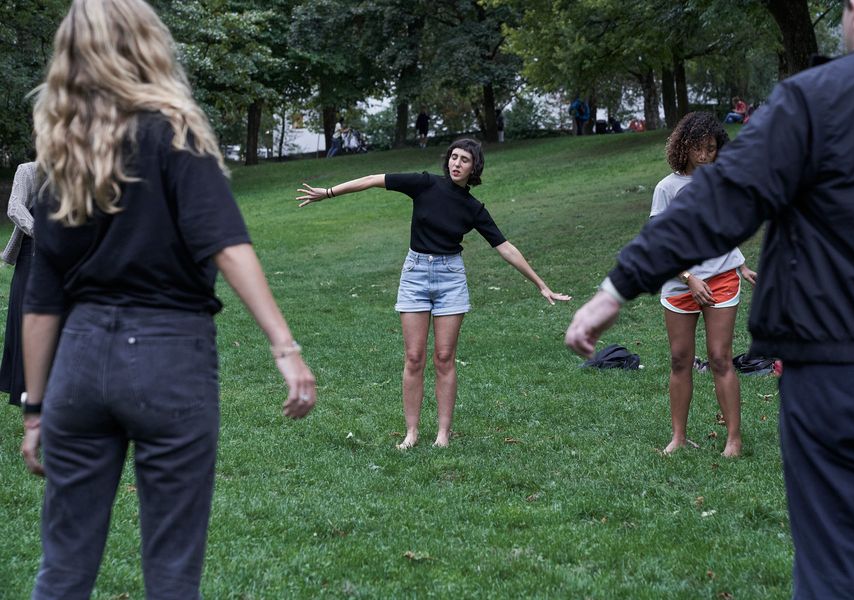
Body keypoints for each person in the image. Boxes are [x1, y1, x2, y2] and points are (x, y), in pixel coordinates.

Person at [565, 1, 854, 597]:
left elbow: (721, 202)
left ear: (853, 11)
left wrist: (616, 288)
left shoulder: (813, 99)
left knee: (835, 577)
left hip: (835, 376)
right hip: (835, 364)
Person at [20, 1, 317, 598]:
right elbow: (226, 244)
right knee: (172, 572)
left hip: (77, 364)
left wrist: (34, 408)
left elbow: (41, 294)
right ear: (147, 44)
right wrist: (284, 347)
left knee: (62, 570)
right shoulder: (175, 132)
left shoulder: (62, 156)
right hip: (167, 358)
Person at [296, 138, 570, 449]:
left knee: (444, 357)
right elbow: (374, 179)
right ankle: (411, 433)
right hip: (415, 275)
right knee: (414, 357)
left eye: (464, 160)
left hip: (450, 278)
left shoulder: (473, 209)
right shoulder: (425, 184)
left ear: (474, 168)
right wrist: (328, 193)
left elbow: (506, 248)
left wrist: (541, 284)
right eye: (454, 157)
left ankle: (443, 435)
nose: (456, 163)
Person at [649, 113, 756, 457]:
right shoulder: (667, 188)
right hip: (681, 282)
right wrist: (688, 277)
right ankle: (678, 437)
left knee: (720, 358)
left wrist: (741, 265)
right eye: (699, 148)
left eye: (711, 149)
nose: (705, 155)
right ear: (684, 146)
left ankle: (734, 440)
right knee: (681, 359)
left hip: (721, 279)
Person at [0, 161, 39, 408]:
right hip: (32, 251)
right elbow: (15, 207)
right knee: (28, 321)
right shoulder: (28, 171)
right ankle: (25, 391)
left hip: (67, 256)